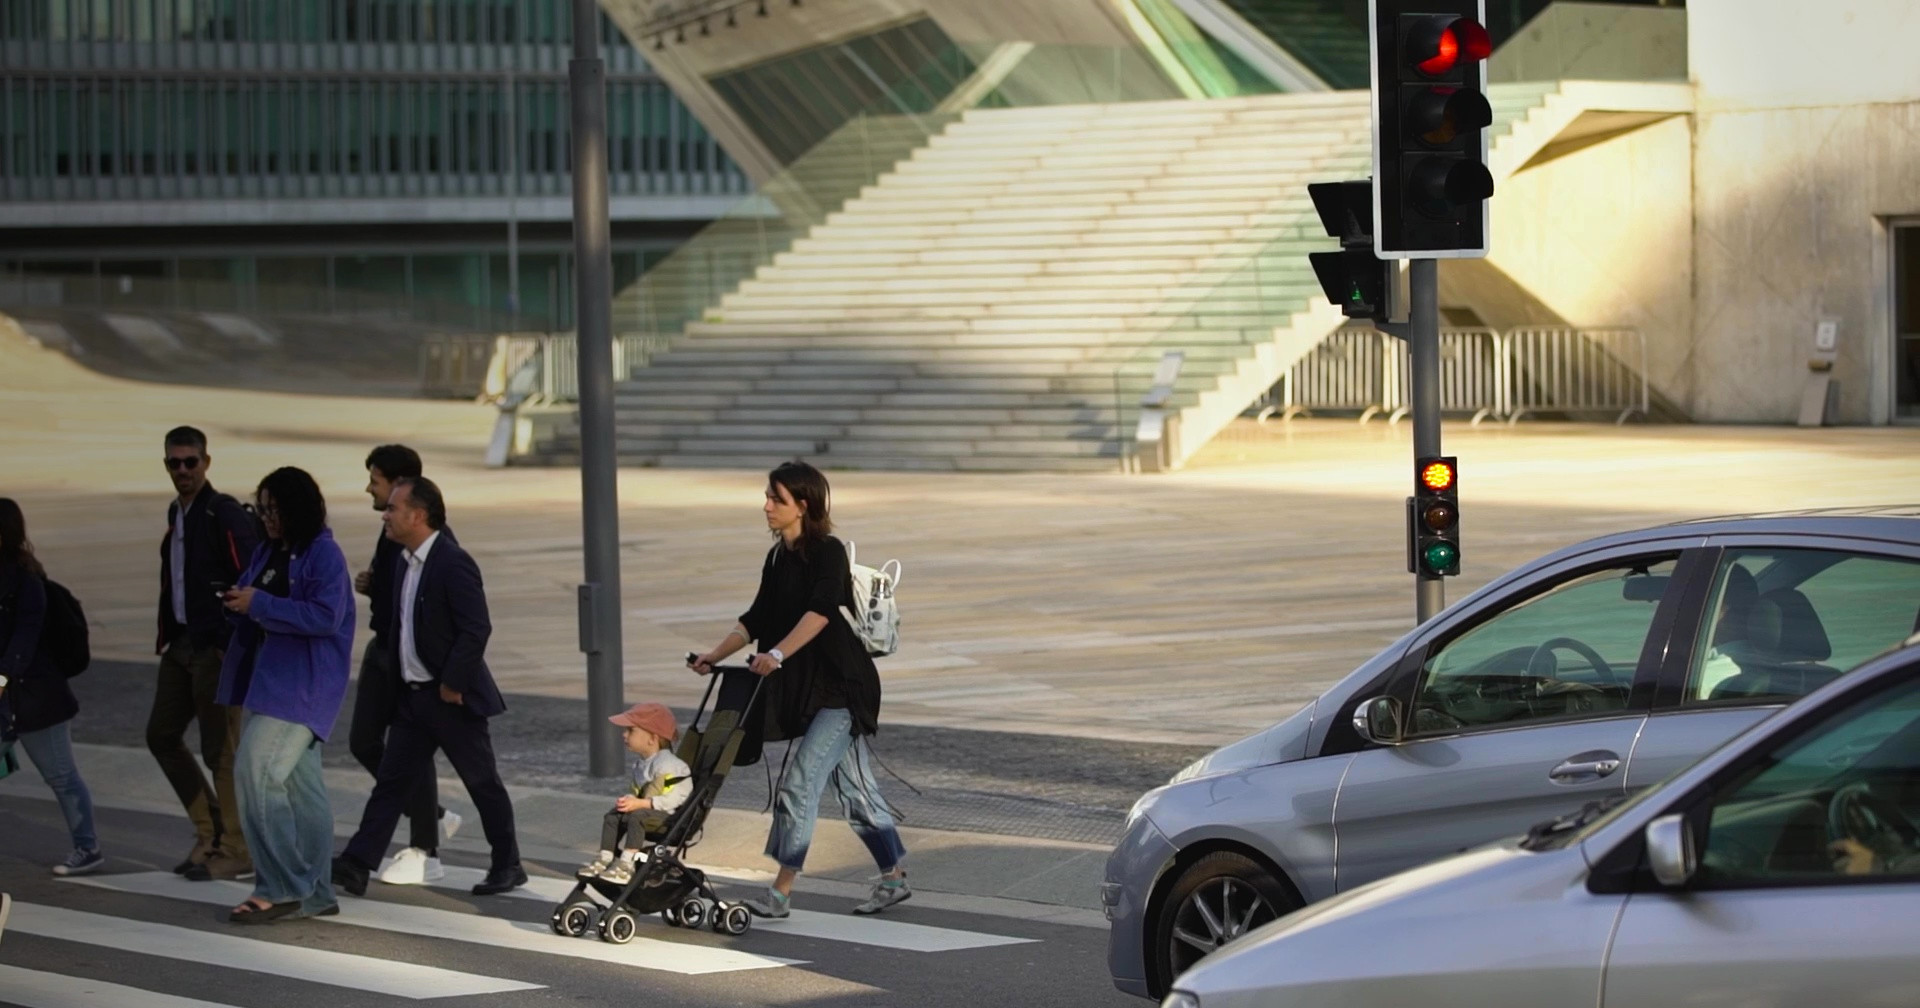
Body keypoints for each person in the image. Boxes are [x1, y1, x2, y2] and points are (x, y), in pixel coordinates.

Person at [689, 461, 909, 918]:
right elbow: (755, 618)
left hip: (843, 690)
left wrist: (779, 655)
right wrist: (714, 654)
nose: (766, 506)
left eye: (776, 499)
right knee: (856, 792)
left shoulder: (827, 552)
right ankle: (893, 879)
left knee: (798, 784)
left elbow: (821, 612)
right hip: (810, 694)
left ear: (802, 506)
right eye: (768, 497)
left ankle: (780, 893)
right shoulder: (778, 558)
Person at [333, 477, 525, 897]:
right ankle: (356, 863)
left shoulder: (452, 562)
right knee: (391, 783)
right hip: (413, 699)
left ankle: (508, 864)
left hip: (450, 699)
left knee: (481, 782)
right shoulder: (404, 561)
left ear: (417, 515)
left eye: (394, 508)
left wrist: (453, 684)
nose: (385, 514)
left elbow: (476, 629)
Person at [216, 467, 354, 924]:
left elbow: (324, 617)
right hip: (270, 682)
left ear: (297, 509)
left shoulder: (323, 555)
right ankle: (314, 891)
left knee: (255, 774)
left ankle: (281, 886)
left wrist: (260, 604)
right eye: (263, 508)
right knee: (302, 790)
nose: (268, 518)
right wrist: (239, 603)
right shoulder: (269, 551)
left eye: (275, 509)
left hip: (302, 688)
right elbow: (257, 604)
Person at [347, 445, 459, 886]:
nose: (368, 489)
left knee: (411, 750)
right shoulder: (388, 530)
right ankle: (430, 816)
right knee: (364, 742)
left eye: (374, 480)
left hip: (409, 660)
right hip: (385, 650)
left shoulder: (438, 544)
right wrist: (373, 586)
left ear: (398, 487)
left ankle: (426, 847)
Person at [151, 425, 259, 882]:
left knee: (222, 751)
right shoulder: (177, 514)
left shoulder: (223, 512)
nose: (182, 470)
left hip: (214, 649)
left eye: (189, 462)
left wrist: (225, 641)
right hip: (180, 645)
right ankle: (210, 830)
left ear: (206, 463)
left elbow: (250, 576)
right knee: (161, 735)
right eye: (174, 463)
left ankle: (236, 847)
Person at [0, 498, 102, 876]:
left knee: (61, 776)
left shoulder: (27, 584)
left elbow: (24, 640)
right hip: (6, 702)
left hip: (37, 701)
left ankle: (87, 847)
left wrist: (2, 677)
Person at [580, 701, 692, 885]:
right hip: (648, 810)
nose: (624, 735)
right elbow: (639, 793)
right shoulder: (641, 764)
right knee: (613, 816)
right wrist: (630, 800)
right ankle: (605, 857)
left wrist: (640, 804)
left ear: (652, 739)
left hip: (669, 815)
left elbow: (674, 799)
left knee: (637, 816)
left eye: (631, 731)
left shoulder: (669, 765)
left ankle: (626, 865)